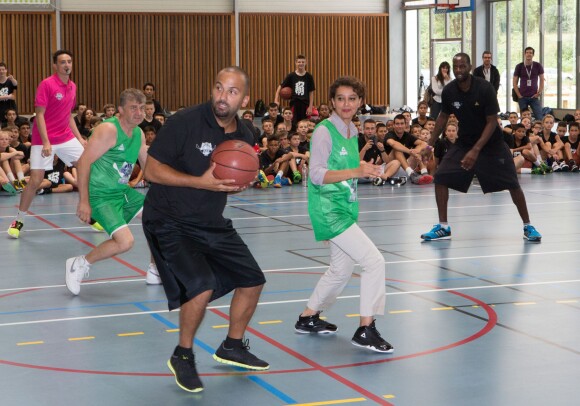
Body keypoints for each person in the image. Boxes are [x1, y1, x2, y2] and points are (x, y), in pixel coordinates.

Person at [142, 66, 269, 393]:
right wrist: (199, 182)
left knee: (253, 279)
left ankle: (232, 345)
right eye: (219, 88)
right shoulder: (184, 122)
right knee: (199, 285)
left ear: (245, 99)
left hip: (209, 221)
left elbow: (236, 175)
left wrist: (238, 184)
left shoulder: (246, 134)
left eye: (232, 92)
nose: (223, 97)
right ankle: (182, 355)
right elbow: (152, 171)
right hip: (167, 219)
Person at [294, 76, 394, 354]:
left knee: (341, 269)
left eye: (352, 98)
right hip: (329, 209)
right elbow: (315, 175)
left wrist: (365, 167)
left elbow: (345, 165)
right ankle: (366, 328)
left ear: (360, 102)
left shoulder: (352, 131)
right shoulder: (325, 131)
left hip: (345, 207)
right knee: (374, 261)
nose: (346, 103)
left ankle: (308, 317)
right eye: (340, 98)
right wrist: (356, 171)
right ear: (332, 103)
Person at [421, 53, 542, 242]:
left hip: (492, 144)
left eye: (462, 66)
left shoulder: (485, 89)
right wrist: (429, 145)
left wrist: (476, 150)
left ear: (470, 67)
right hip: (464, 143)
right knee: (441, 177)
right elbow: (443, 117)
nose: (459, 70)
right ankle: (443, 227)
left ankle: (528, 226)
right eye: (456, 67)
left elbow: (492, 122)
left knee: (512, 183)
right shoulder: (449, 91)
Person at [65, 88, 160, 295]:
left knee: (160, 217)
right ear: (120, 110)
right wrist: (83, 202)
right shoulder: (108, 130)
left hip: (121, 192)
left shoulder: (139, 133)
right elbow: (83, 163)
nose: (139, 112)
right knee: (125, 242)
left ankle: (155, 269)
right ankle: (79, 263)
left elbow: (151, 169)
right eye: (133, 108)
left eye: (142, 108)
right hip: (100, 195)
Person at [7, 50, 87, 239]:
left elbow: (68, 115)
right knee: (35, 180)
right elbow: (39, 115)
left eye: (69, 61)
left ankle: (86, 210)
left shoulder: (72, 86)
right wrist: (46, 142)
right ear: (55, 66)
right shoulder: (47, 84)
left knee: (86, 165)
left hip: (66, 137)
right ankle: (19, 219)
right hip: (44, 139)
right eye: (62, 62)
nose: (67, 65)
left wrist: (79, 138)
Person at [274, 54, 315, 124]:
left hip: (305, 104)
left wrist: (310, 106)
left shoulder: (309, 76)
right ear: (296, 63)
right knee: (294, 123)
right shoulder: (291, 76)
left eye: (302, 62)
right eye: (299, 62)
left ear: (306, 63)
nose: (301, 63)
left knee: (305, 124)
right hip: (294, 103)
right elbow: (280, 86)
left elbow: (311, 92)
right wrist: (276, 99)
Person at [513, 47, 544, 120]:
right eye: (527, 52)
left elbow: (542, 80)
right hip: (522, 97)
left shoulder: (537, 65)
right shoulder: (519, 66)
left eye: (530, 53)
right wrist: (519, 95)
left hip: (534, 97)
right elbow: (514, 82)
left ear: (533, 55)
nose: (529, 54)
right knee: (524, 119)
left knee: (539, 117)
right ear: (524, 54)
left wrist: (539, 93)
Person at [0, 62, 18, 127]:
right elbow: (10, 96)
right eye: (0, 70)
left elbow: (15, 85)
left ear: (6, 70)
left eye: (3, 69)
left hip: (10, 109)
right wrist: (8, 96)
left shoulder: (10, 81)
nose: (1, 71)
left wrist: (12, 79)